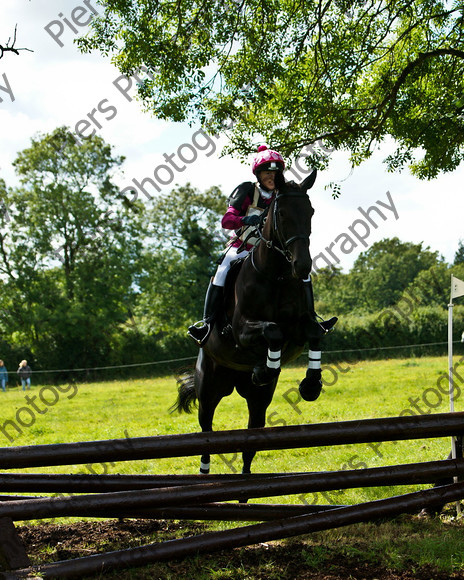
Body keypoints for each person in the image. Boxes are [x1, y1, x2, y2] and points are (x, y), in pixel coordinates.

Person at [187, 145, 337, 346]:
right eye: (267, 173)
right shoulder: (247, 190)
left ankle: (312, 318)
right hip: (244, 246)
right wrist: (246, 220)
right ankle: (206, 324)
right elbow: (227, 220)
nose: (272, 177)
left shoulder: (283, 194)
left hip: (274, 252)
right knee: (223, 268)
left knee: (304, 272)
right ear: (258, 174)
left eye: (276, 173)